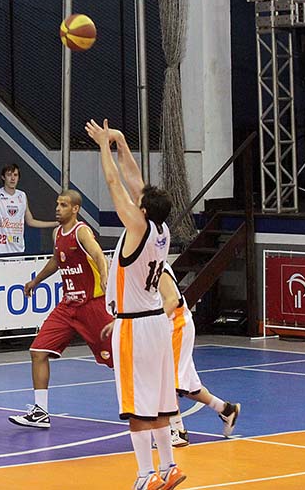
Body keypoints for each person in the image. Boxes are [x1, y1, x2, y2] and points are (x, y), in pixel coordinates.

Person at [85, 119, 185, 490]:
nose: (134, 197)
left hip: (136, 326)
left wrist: (102, 147)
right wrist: (123, 142)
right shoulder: (162, 229)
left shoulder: (138, 228)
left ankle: (146, 475)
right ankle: (170, 467)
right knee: (159, 404)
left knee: (135, 407)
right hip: (156, 322)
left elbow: (116, 184)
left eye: (138, 201)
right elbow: (135, 181)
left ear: (142, 210)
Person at [8, 190, 112, 429]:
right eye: (57, 204)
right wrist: (36, 281)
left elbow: (98, 254)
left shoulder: (81, 231)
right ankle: (40, 412)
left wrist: (105, 275)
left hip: (92, 305)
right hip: (68, 305)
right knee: (38, 351)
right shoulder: (57, 233)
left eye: (63, 205)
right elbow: (57, 260)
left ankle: (154, 412)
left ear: (75, 209)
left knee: (121, 360)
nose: (57, 208)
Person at [159, 262, 241, 447]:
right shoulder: (142, 267)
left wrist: (152, 325)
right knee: (189, 385)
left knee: (166, 381)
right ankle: (226, 409)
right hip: (170, 328)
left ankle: (177, 431)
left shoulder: (157, 267)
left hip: (176, 326)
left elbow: (173, 301)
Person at [0, 163, 57, 255]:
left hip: (18, 252)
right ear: (3, 177)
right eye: (9, 175)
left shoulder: (22, 195)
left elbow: (30, 221)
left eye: (15, 175)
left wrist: (56, 223)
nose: (13, 178)